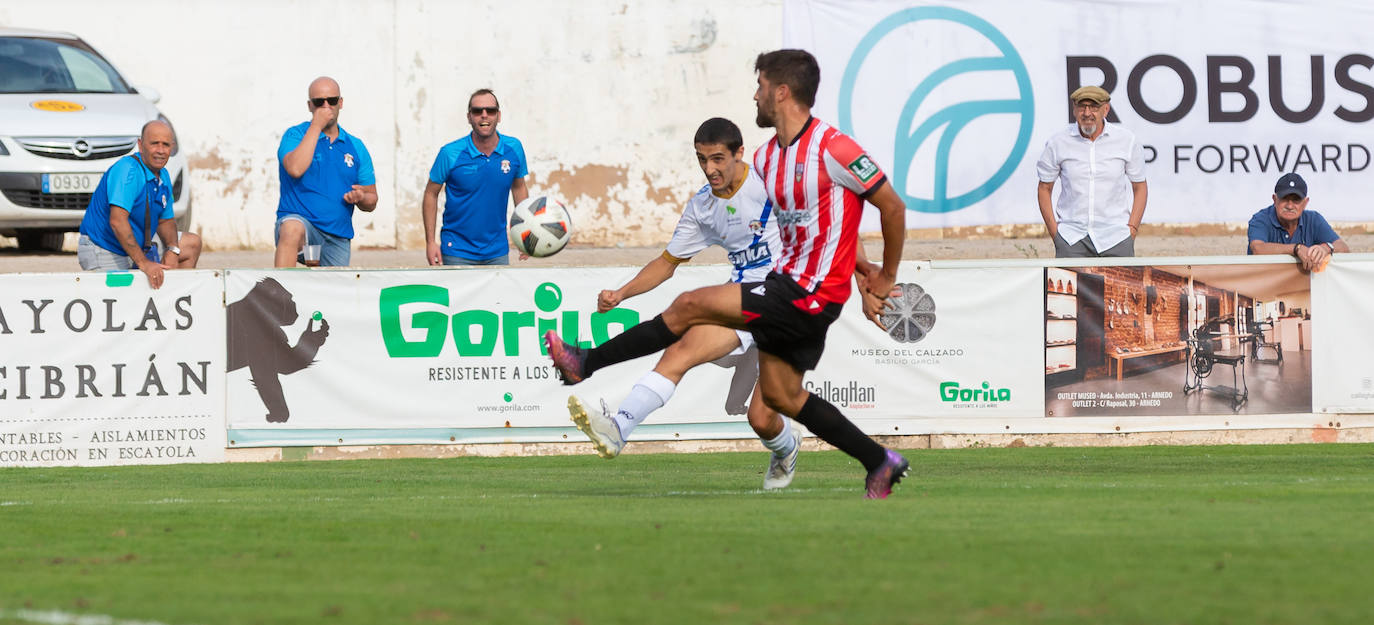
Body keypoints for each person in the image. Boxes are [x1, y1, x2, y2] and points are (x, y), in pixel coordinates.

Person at [546, 49, 911, 499]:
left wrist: (881, 275)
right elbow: (821, 221)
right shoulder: (769, 159)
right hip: (785, 293)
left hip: (806, 292)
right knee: (779, 401)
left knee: (689, 306)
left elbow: (890, 206)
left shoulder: (833, 148)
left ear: (780, 92)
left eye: (759, 85)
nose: (754, 94)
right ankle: (879, 461)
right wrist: (861, 272)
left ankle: (585, 364)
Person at [565, 117, 804, 489]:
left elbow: (827, 220)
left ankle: (786, 447)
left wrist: (863, 273)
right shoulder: (703, 206)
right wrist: (621, 293)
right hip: (743, 300)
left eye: (718, 159)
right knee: (680, 351)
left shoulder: (769, 183)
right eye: (701, 159)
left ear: (740, 153)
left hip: (790, 304)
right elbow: (666, 263)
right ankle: (619, 427)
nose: (710, 169)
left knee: (761, 419)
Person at [77, 120, 202, 288]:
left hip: (139, 246)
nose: (160, 150)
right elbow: (117, 222)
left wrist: (173, 249)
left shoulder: (163, 174)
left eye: (165, 145)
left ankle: (171, 305)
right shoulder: (128, 170)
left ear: (171, 148)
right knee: (120, 302)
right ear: (141, 145)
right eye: (154, 144)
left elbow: (166, 220)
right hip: (105, 247)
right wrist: (144, 263)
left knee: (190, 244)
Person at [275, 76, 378, 268]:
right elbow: (295, 168)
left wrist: (361, 196)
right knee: (291, 228)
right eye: (318, 102)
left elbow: (372, 200)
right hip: (303, 227)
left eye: (331, 101)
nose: (325, 107)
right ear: (309, 106)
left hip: (337, 234)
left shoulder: (356, 146)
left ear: (340, 103)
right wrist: (316, 125)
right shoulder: (295, 135)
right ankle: (278, 293)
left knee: (334, 294)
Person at [1036, 85, 1148, 258]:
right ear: (1074, 110)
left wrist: (1132, 229)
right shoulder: (1058, 143)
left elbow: (1140, 187)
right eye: (1082, 107)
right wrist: (1056, 234)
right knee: (1068, 286)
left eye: (1094, 107)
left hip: (1116, 238)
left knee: (1121, 287)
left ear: (1106, 109)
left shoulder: (1127, 141)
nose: (1087, 113)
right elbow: (1044, 188)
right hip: (1071, 239)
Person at [422, 89, 529, 265]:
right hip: (457, 250)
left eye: (490, 110)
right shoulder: (450, 153)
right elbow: (430, 194)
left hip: (498, 251)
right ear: (469, 117)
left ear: (499, 115)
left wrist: (525, 233)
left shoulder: (514, 149)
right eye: (477, 111)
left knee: (498, 294)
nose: (484, 115)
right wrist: (430, 242)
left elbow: (519, 188)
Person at [1247, 173, 1349, 272]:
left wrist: (1326, 247)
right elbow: (1257, 249)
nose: (1290, 206)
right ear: (1274, 199)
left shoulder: (1313, 219)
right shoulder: (1261, 219)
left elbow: (1343, 248)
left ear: (1305, 202)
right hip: (1265, 284)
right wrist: (1296, 249)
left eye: (1296, 200)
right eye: (1284, 198)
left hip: (1305, 286)